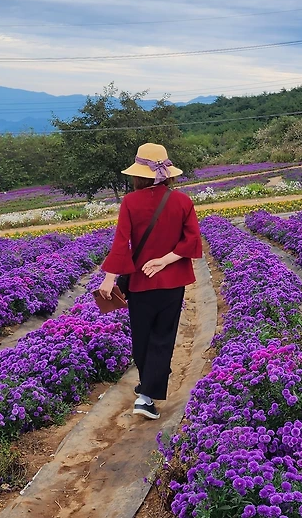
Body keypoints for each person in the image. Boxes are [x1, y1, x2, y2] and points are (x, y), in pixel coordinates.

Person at [98, 143, 201, 420]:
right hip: (172, 282)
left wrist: (109, 278)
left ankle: (145, 392)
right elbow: (192, 240)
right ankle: (145, 396)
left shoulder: (130, 202)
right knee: (162, 337)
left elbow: (121, 244)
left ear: (138, 174)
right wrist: (165, 260)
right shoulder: (182, 201)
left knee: (142, 337)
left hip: (140, 283)